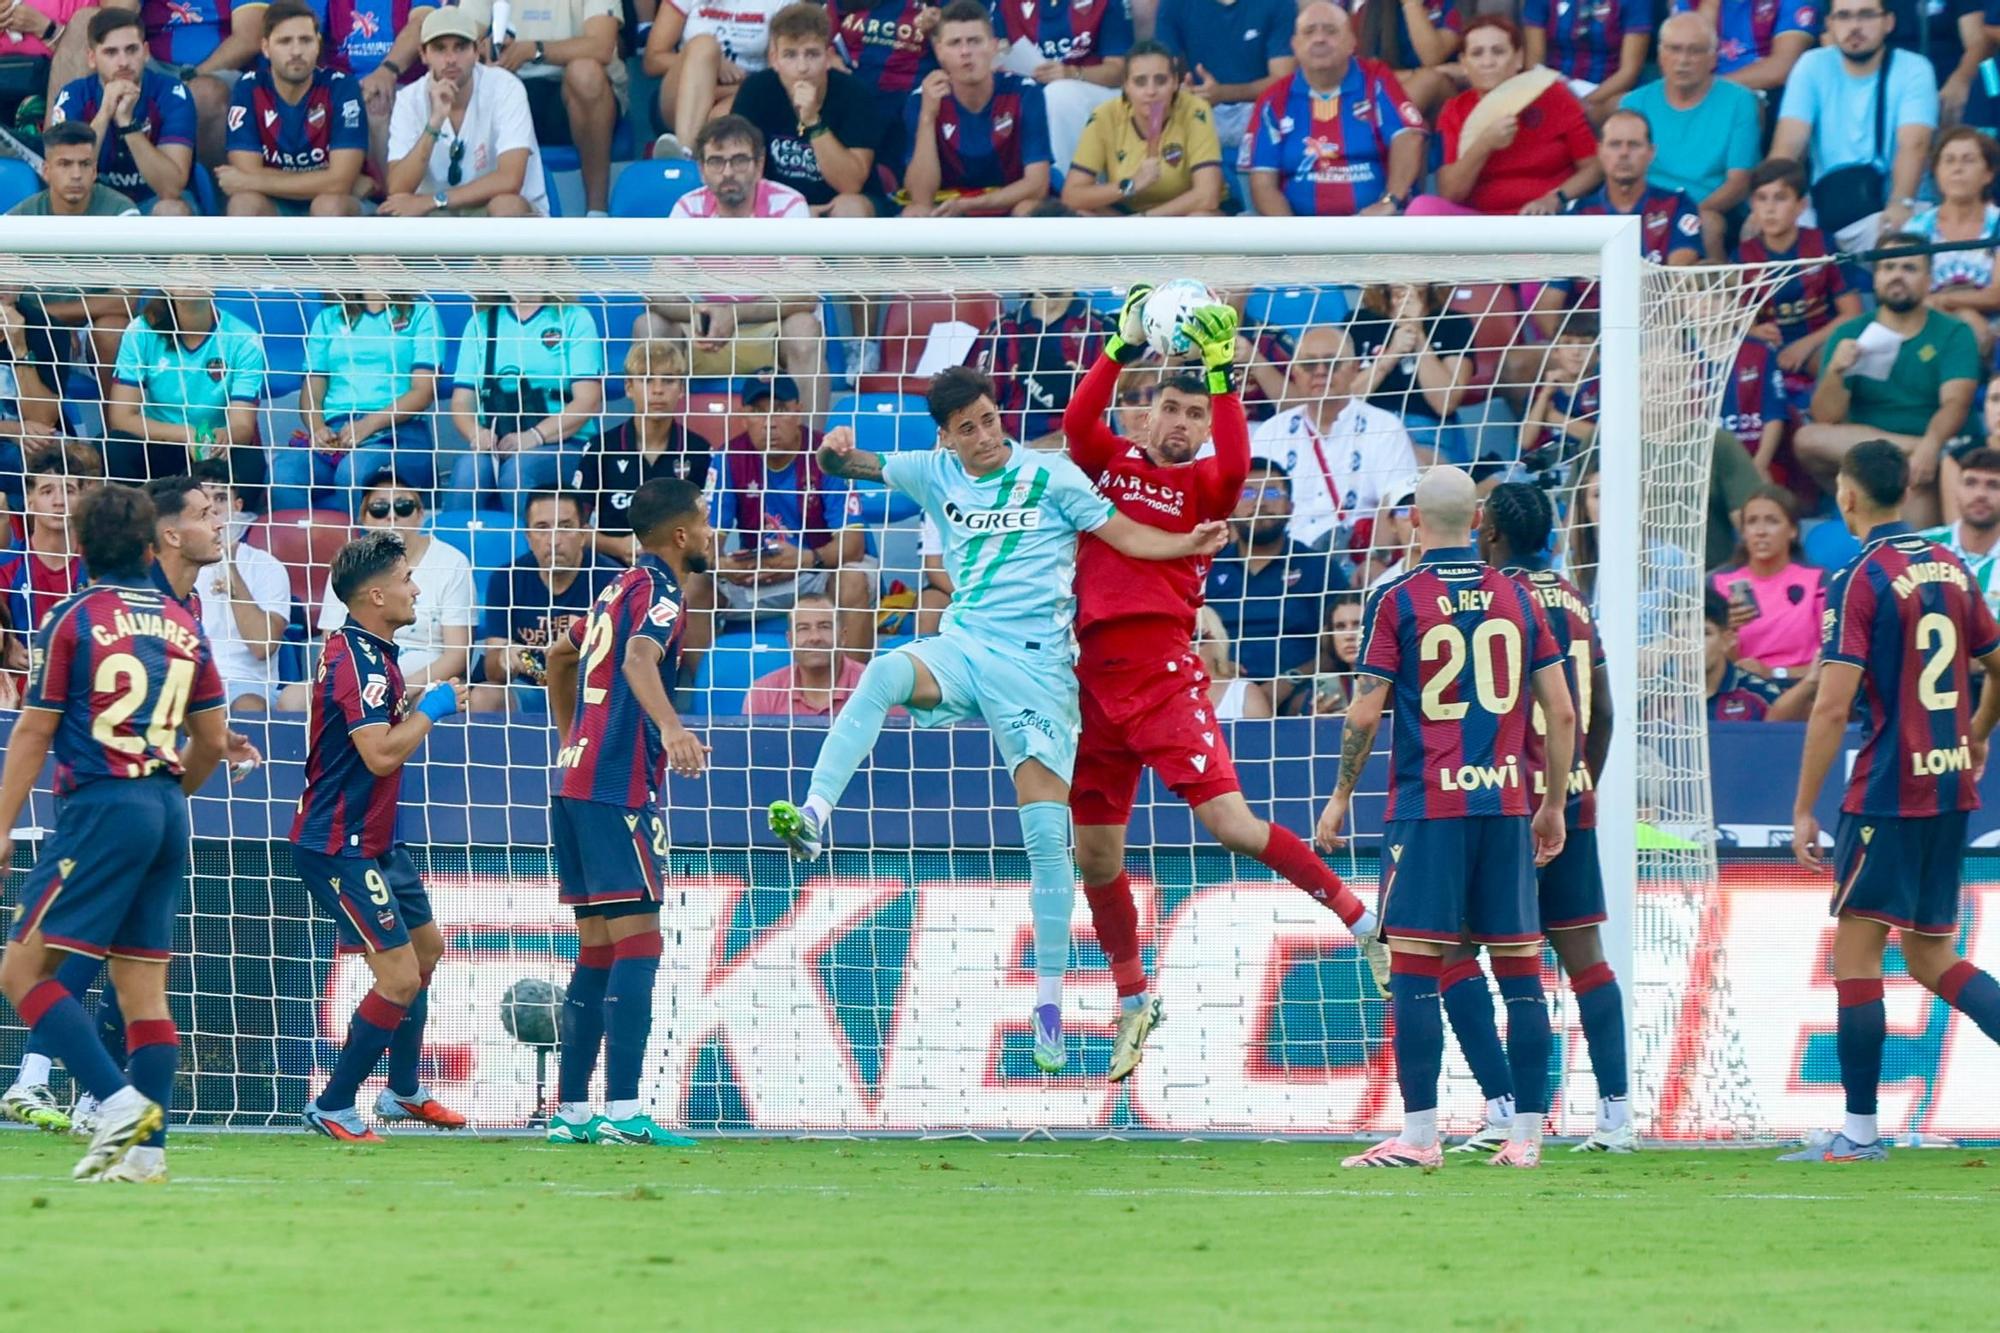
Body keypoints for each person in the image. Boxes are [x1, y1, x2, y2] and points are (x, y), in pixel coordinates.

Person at [766, 365, 1228, 1074]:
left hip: (1041, 672)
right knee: (888, 669)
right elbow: (853, 462)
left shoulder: (1054, 477)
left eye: (989, 419)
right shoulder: (934, 473)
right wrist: (833, 453)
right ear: (946, 439)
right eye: (967, 429)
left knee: (1047, 838)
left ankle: (1047, 1008)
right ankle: (817, 813)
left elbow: (1130, 537)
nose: (984, 437)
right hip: (965, 646)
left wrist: (1190, 542)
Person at [1059, 287, 1385, 1082]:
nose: (1178, 424)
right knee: (1095, 858)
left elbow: (1238, 460)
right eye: (1168, 409)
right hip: (1091, 685)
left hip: (1164, 677)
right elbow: (1076, 425)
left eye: (1193, 415)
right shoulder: (1111, 466)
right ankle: (1134, 999)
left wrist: (1219, 370)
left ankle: (1363, 919)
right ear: (1144, 415)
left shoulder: (1208, 485)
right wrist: (1120, 343)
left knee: (1232, 825)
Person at [1315, 466, 1576, 1170]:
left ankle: (1421, 1135)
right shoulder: (1520, 597)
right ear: (1478, 518)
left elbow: (1366, 708)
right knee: (1522, 972)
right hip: (1506, 801)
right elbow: (1563, 710)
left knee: (1416, 969)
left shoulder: (1397, 598)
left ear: (1415, 524)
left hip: (1430, 808)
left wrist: (1340, 797)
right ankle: (1525, 1136)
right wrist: (1550, 803)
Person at [0, 483, 227, 1182]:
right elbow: (213, 742)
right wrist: (162, 798)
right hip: (167, 806)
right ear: (146, 544)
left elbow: (36, 728)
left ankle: (117, 1099)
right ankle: (148, 1156)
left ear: (81, 544)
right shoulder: (183, 623)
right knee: (143, 992)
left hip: (102, 805)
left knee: (20, 969)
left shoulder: (72, 617)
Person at [1784, 439, 2000, 1163]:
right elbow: (1996, 662)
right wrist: (1974, 731)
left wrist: (1805, 806)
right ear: (1907, 490)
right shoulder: (1953, 568)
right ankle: (1860, 1129)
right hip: (1949, 785)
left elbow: (1831, 702)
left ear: (1848, 496)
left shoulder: (1859, 576)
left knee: (1857, 957)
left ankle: (1860, 1130)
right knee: (1933, 956)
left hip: (1886, 791)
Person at [1434, 483, 1626, 1156]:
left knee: (1459, 948)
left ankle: (1504, 1106)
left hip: (1504, 799)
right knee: (1585, 959)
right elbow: (1598, 706)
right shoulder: (1573, 599)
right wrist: (1578, 786)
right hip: (1570, 798)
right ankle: (1615, 1116)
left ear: (1486, 533)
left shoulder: (1489, 598)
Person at [542, 477, 709, 1147]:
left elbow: (558, 654)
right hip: (618, 784)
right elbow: (641, 656)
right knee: (639, 943)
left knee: (598, 949)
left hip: (575, 780)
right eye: (701, 521)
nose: (708, 532)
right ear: (679, 534)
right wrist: (670, 727)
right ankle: (625, 1109)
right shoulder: (662, 594)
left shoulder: (616, 588)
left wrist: (568, 737)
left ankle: (573, 1111)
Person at [293, 530, 468, 1142]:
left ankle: (403, 1090)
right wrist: (433, 708)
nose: (415, 587)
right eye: (404, 579)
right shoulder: (359, 660)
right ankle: (334, 1104)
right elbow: (379, 756)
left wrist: (418, 703)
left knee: (425, 954)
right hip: (339, 841)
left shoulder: (372, 650)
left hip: (376, 838)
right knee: (396, 977)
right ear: (373, 595)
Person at [1798, 237, 1981, 528]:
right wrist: (1835, 370)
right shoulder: (1849, 333)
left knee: (1913, 525)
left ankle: (1878, 506)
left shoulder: (1953, 331)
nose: (1897, 275)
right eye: (1888, 267)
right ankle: (1885, 484)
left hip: (1927, 461)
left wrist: (1932, 445)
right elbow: (1825, 417)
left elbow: (1956, 403)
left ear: (1929, 280)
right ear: (1876, 277)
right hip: (1876, 452)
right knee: (1807, 438)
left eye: (1909, 267)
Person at [697, 373, 872, 651]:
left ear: (798, 411)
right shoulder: (728, 456)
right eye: (757, 412)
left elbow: (853, 547)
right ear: (743, 417)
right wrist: (725, 566)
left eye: (779, 410)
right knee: (695, 586)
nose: (769, 423)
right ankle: (701, 690)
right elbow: (704, 546)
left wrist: (806, 558)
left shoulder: (826, 455)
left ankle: (856, 692)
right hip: (759, 575)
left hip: (818, 572)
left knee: (852, 579)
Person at [276, 478, 474, 710]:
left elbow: (457, 656)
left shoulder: (452, 562)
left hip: (424, 681)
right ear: (364, 518)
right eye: (379, 509)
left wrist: (403, 687)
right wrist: (357, 687)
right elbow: (329, 650)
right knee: (292, 698)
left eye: (403, 507)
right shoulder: (348, 565)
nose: (392, 516)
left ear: (420, 515)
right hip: (358, 677)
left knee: (431, 703)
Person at [1766, 1, 1935, 248]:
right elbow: (1788, 145)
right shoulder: (1811, 65)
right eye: (1843, 16)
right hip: (1828, 204)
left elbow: (1914, 145)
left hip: (1891, 205)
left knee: (1903, 233)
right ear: (1829, 24)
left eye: (1866, 15)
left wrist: (1901, 202)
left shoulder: (1914, 68)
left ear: (1889, 22)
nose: (1855, 26)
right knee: (1774, 227)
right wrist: (1769, 204)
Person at [1241, 3, 1425, 219]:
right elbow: (1262, 181)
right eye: (1309, 32)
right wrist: (1291, 236)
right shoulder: (1273, 99)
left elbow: (1409, 138)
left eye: (1330, 31)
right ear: (1294, 45)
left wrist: (1389, 201)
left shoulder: (1376, 80)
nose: (1319, 39)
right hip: (1299, 227)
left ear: (1351, 42)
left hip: (1375, 227)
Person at [1249, 325, 1421, 549]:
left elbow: (1397, 503)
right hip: (1282, 558)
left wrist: (1375, 560)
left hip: (1356, 560)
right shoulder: (1272, 431)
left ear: (1355, 368)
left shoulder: (1385, 427)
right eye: (1309, 365)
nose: (1320, 371)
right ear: (1295, 372)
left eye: (1332, 363)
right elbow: (1249, 500)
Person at [273, 289, 445, 513]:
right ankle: (302, 548)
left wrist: (367, 425)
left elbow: (423, 392)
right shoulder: (328, 319)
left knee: (354, 471)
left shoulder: (422, 314)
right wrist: (318, 430)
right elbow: (312, 389)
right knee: (284, 473)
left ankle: (363, 548)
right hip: (338, 433)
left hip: (397, 432)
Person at [443, 285, 604, 513]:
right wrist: (476, 434)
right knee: (468, 471)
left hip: (564, 442)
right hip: (499, 443)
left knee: (518, 472)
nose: (521, 260)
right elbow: (462, 401)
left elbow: (588, 400)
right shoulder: (481, 323)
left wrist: (535, 436)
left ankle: (528, 547)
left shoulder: (574, 317)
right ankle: (454, 547)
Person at [1422, 15, 1601, 218]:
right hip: (1480, 222)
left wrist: (1556, 198)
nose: (1487, 62)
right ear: (1464, 64)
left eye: (1498, 52)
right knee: (1422, 207)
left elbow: (1594, 167)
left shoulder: (1554, 95)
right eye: (1477, 53)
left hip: (1545, 218)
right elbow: (1450, 193)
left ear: (1518, 58)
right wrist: (1485, 143)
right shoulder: (1455, 109)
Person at [456, 0, 623, 216]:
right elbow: (459, 34)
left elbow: (602, 46)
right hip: (510, 83)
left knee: (585, 72)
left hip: (569, 92)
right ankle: (460, 211)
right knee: (459, 68)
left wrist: (534, 49)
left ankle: (597, 212)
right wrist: (481, 49)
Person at [382, 5, 547, 218]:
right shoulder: (409, 99)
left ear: (476, 50)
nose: (451, 59)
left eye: (460, 47)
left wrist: (435, 200)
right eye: (440, 48)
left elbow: (510, 179)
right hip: (435, 218)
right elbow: (398, 187)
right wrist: (434, 123)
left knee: (506, 205)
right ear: (423, 54)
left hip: (488, 210)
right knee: (381, 237)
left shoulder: (506, 87)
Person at [1620, 13, 1758, 260]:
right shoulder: (1634, 103)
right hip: (1643, 207)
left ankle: (1708, 298)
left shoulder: (1740, 101)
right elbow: (1619, 172)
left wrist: (1683, 215)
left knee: (1705, 224)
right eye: (1674, 49)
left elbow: (1739, 183)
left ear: (1713, 58)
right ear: (1661, 54)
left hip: (1708, 207)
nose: (1683, 60)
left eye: (1694, 51)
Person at [730, 2, 885, 217]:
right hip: (775, 203)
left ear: (829, 57)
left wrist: (813, 121)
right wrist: (792, 210)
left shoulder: (854, 94)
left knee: (850, 208)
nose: (802, 68)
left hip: (836, 203)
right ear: (774, 59)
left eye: (812, 54)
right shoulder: (755, 91)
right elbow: (739, 168)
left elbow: (851, 183)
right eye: (790, 55)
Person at [901, 0, 1052, 217]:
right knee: (915, 213)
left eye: (974, 41)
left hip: (1007, 200)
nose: (965, 51)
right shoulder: (922, 99)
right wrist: (927, 116)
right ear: (939, 51)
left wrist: (971, 204)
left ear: (993, 46)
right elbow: (921, 195)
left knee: (1029, 209)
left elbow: (1037, 184)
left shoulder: (1025, 92)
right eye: (955, 43)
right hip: (948, 205)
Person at [1203, 458, 1349, 682]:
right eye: (1248, 494)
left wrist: (1290, 681)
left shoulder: (1319, 567)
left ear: (1290, 507)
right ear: (1230, 508)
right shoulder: (1208, 569)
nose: (1260, 503)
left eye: (1272, 493)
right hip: (1221, 687)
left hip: (1302, 692)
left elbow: (1339, 646)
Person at [218, 0, 368, 217]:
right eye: (285, 41)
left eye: (305, 40)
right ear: (265, 48)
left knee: (328, 205)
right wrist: (326, 179)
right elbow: (245, 171)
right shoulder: (249, 87)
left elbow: (339, 183)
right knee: (243, 204)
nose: (296, 51)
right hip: (273, 203)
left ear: (317, 45)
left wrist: (252, 180)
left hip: (332, 203)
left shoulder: (341, 86)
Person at [472, 490, 618, 713]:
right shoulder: (506, 578)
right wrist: (504, 657)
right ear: (528, 537)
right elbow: (492, 670)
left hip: (592, 695)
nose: (554, 540)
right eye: (542, 528)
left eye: (566, 527)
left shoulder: (614, 582)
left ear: (583, 535)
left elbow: (625, 666)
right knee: (484, 696)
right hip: (530, 689)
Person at [1740, 159, 1863, 419]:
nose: (1770, 209)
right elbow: (1728, 321)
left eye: (1780, 198)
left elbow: (1852, 313)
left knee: (1834, 359)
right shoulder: (1742, 256)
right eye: (1762, 199)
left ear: (1801, 205)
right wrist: (1752, 330)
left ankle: (1837, 421)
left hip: (1817, 343)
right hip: (1768, 350)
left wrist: (1805, 345)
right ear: (1752, 205)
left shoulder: (1822, 245)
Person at [569, 338, 710, 565]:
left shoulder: (700, 451)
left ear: (682, 388)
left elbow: (710, 530)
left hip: (679, 570)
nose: (657, 390)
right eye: (646, 380)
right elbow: (573, 528)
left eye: (668, 380)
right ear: (628, 387)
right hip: (610, 568)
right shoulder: (601, 449)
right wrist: (617, 546)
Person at [106, 289, 266, 489]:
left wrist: (227, 435)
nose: (190, 273)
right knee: (115, 447)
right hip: (159, 442)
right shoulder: (141, 331)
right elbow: (121, 418)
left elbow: (242, 426)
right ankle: (135, 514)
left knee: (250, 462)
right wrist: (186, 434)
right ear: (167, 284)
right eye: (182, 265)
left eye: (199, 263)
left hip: (212, 448)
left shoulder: (244, 338)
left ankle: (220, 514)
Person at [47, 9, 194, 214]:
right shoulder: (73, 96)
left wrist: (127, 123)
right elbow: (65, 177)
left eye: (131, 50)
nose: (123, 62)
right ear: (92, 58)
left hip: (153, 200)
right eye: (111, 52)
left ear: (146, 52)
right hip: (95, 204)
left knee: (172, 210)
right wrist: (105, 112)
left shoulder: (172, 93)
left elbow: (170, 188)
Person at [1062, 41, 1221, 216]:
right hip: (1126, 214)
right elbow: (1071, 196)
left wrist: (1144, 221)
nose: (1151, 91)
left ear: (1175, 82)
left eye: (1161, 80)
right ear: (1126, 86)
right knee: (1081, 214)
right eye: (1140, 82)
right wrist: (1131, 184)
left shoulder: (1195, 110)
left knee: (1201, 218)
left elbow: (1207, 195)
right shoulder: (1104, 116)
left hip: (1181, 214)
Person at [1342, 283, 1494, 466]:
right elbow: (1343, 399)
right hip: (1366, 430)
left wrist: (1419, 336)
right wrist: (1392, 354)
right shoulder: (1358, 321)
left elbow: (1445, 402)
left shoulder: (1454, 322)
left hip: (1428, 434)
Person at [188, 464, 290, 711]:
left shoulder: (267, 566)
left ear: (238, 507)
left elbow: (262, 646)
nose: (213, 508)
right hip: (189, 681)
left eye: (221, 498)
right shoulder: (179, 564)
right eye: (204, 502)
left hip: (247, 685)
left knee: (248, 706)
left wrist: (229, 564)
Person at [996, 0, 1135, 179]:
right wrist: (1000, 63)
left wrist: (1072, 73)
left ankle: (1071, 187)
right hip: (1035, 93)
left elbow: (1120, 71)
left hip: (1097, 91)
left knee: (1059, 93)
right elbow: (996, 55)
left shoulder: (1105, 3)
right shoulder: (1008, 4)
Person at [642, 0, 787, 155]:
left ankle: (690, 156)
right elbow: (653, 60)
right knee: (704, 46)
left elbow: (780, 71)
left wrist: (737, 89)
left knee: (723, 120)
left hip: (741, 92)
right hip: (684, 93)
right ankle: (685, 155)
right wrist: (714, 63)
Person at [970, 289, 1110, 449]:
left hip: (1072, 453)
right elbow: (981, 406)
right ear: (1026, 262)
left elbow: (1104, 415)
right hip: (1008, 454)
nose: (1052, 262)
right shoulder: (1003, 329)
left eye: (1061, 260)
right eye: (1040, 260)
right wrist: (1015, 453)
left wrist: (1036, 451)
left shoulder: (1100, 328)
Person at [1150, 0, 1293, 154]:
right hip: (1199, 108)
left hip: (1260, 108)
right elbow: (1159, 70)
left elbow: (1283, 80)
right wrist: (1180, 90)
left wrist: (1223, 93)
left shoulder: (1278, 3)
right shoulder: (1174, 4)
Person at [1905, 128, 2000, 359]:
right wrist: (1963, 312)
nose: (1957, 169)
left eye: (1968, 160)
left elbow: (1997, 295)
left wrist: (1944, 300)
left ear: (1988, 173)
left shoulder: (1997, 223)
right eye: (1949, 161)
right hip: (1930, 328)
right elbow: (1911, 293)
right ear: (1936, 172)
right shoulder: (1916, 229)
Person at [1710, 486, 1824, 676]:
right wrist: (1727, 632)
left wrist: (1773, 673)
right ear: (1743, 532)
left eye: (1772, 521)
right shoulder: (1716, 583)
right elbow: (1705, 662)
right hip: (1740, 692)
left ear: (1793, 530)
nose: (1761, 531)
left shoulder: (1819, 581)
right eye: (1752, 522)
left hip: (1802, 690)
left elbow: (1833, 664)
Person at [1564, 110, 1701, 266]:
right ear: (1600, 151)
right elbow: (1556, 289)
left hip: (1656, 290)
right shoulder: (1577, 214)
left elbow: (1678, 278)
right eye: (1615, 144)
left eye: (1634, 145)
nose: (1624, 153)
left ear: (1651, 153)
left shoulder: (1677, 204)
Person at [0, 441, 94, 655]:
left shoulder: (100, 566)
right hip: (23, 682)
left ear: (82, 499)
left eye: (69, 491)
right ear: (29, 501)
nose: (58, 501)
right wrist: (6, 647)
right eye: (46, 491)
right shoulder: (6, 568)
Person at [1523, 0, 1651, 123]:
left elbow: (1629, 72)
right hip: (1554, 88)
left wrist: (1583, 103)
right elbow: (1534, 63)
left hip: (1608, 92)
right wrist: (1558, 98)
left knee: (1623, 108)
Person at [742, 594, 868, 717]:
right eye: (803, 628)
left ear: (843, 636)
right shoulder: (763, 693)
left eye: (825, 627)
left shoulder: (875, 686)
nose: (815, 637)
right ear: (790, 640)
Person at [828, 0, 941, 135]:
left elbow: (959, 41)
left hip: (908, 100)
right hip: (851, 92)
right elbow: (819, 37)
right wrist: (829, 56)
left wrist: (941, 26)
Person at [666, 113, 808, 217]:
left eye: (739, 161)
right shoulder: (688, 209)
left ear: (759, 165)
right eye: (716, 162)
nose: (728, 173)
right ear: (702, 170)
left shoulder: (789, 206)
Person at [1705, 587, 1814, 720]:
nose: (1693, 644)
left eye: (1705, 634)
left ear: (1728, 639)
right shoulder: (1671, 695)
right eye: (1680, 635)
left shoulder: (1761, 695)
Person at [1673, 0, 1818, 93]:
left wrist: (1710, 89)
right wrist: (1710, 5)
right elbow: (1681, 60)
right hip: (1700, 92)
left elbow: (1783, 67)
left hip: (1762, 93)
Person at [1923, 446, 2000, 618]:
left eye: (1994, 485)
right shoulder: (1920, 549)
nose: (1980, 494)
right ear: (1956, 490)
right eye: (1970, 483)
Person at [5, 117, 139, 216]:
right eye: (65, 164)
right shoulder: (24, 217)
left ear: (94, 171)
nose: (76, 175)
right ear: (46, 171)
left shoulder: (121, 214)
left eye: (85, 164)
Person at [1193, 606, 1272, 719]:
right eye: (1177, 640)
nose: (1188, 647)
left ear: (1217, 643)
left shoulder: (1244, 695)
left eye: (1196, 638)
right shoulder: (1159, 693)